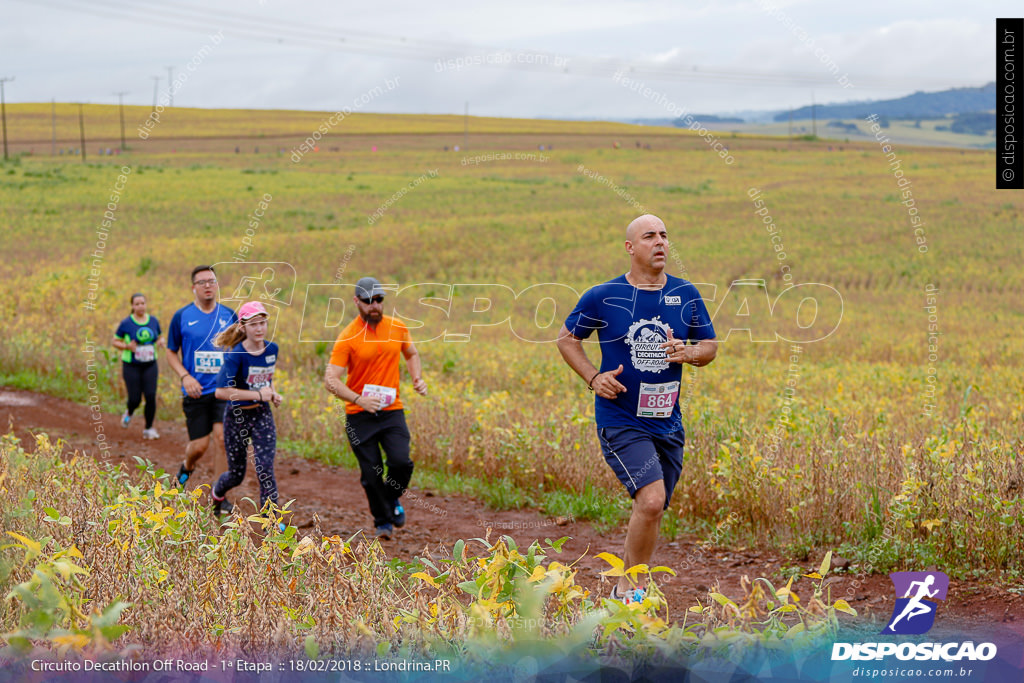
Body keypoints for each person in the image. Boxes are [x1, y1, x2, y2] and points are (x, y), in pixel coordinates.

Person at [557, 214, 718, 605]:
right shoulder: (602, 296)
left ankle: (619, 592)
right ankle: (636, 592)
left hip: (667, 421)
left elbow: (709, 346)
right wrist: (594, 378)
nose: (660, 242)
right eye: (650, 236)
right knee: (650, 500)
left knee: (652, 509)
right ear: (630, 247)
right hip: (620, 418)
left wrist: (689, 353)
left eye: (664, 235)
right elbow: (566, 339)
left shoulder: (686, 294)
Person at [324, 276, 428, 539]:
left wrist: (417, 378)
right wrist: (358, 399)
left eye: (379, 300)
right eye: (369, 301)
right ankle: (383, 522)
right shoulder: (348, 337)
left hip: (392, 410)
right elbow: (330, 380)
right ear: (357, 301)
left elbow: (411, 353)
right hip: (360, 415)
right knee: (371, 475)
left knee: (401, 462)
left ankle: (391, 500)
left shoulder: (398, 327)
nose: (375, 306)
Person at [166, 265, 238, 487]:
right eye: (202, 282)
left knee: (222, 440)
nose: (208, 286)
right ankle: (187, 467)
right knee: (199, 447)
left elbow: (238, 349)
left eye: (212, 281)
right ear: (193, 288)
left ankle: (219, 494)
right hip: (196, 391)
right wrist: (185, 377)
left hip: (222, 391)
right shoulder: (182, 316)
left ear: (217, 285)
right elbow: (170, 351)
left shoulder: (229, 315)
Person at [211, 301, 283, 520]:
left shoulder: (272, 349)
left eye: (263, 323)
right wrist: (259, 395)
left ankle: (271, 521)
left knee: (265, 467)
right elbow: (221, 392)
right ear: (243, 327)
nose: (259, 328)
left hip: (262, 414)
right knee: (236, 475)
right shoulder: (236, 356)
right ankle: (217, 493)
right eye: (254, 324)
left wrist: (273, 393)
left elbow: (265, 378)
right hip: (237, 417)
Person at [112, 293, 164, 440]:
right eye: (137, 304)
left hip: (150, 364)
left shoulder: (153, 321)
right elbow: (115, 341)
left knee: (150, 395)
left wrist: (161, 341)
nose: (140, 306)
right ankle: (129, 412)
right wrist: (126, 346)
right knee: (135, 399)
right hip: (131, 365)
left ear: (146, 305)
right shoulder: (126, 323)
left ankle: (149, 428)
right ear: (132, 306)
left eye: (143, 303)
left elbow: (159, 336)